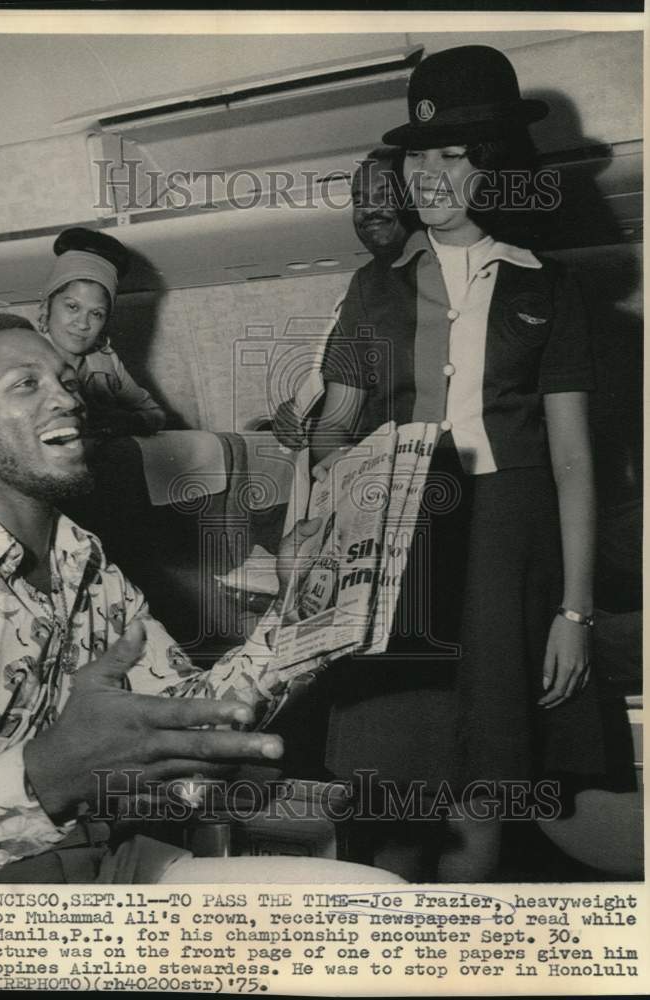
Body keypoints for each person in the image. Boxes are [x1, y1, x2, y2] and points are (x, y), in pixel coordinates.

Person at [0, 313, 325, 884]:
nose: (65, 397)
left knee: (371, 902)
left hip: (109, 857)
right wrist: (49, 775)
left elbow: (182, 724)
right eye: (25, 383)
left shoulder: (84, 558)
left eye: (66, 380)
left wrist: (302, 610)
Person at [314, 45, 607, 880]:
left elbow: (574, 461)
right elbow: (334, 427)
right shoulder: (374, 288)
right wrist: (340, 479)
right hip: (400, 550)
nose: (428, 173)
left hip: (510, 550)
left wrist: (575, 613)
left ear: (495, 165)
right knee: (395, 791)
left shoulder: (547, 288)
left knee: (486, 788)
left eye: (451, 154)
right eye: (417, 153)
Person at [272, 147, 410, 450]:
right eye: (358, 200)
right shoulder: (362, 289)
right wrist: (297, 412)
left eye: (384, 194)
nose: (368, 210)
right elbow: (337, 413)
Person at [38, 227, 166, 439]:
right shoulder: (23, 357)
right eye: (72, 307)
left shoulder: (106, 361)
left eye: (96, 313)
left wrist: (127, 422)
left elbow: (155, 414)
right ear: (46, 308)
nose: (83, 324)